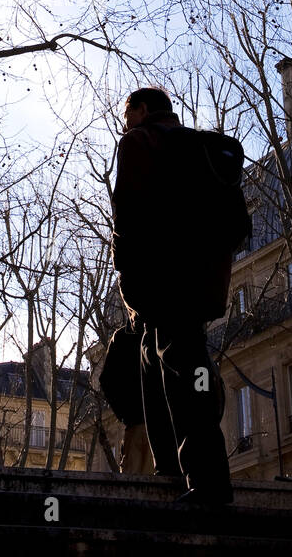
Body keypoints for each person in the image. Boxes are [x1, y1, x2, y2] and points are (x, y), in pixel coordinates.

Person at [111, 86, 233, 507]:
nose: (125, 125)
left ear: (142, 110)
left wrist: (130, 279)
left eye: (128, 116)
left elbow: (125, 215)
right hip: (200, 281)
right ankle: (175, 470)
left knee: (183, 370)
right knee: (160, 361)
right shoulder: (202, 147)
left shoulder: (140, 141)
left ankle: (207, 480)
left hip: (163, 281)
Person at [99, 318, 154, 475]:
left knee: (133, 482)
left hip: (135, 423)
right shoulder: (163, 333)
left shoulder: (122, 336)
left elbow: (106, 380)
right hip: (158, 424)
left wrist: (125, 414)